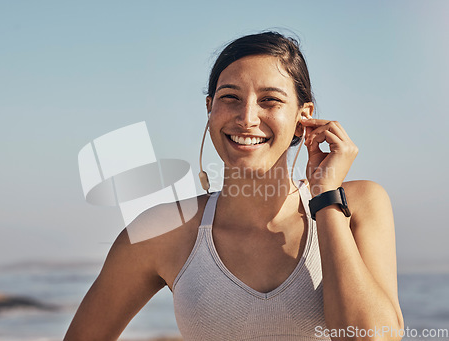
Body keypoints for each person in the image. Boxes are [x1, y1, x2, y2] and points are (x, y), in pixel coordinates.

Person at [64, 31, 404, 340]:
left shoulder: (358, 204)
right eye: (230, 97)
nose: (247, 117)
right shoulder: (162, 233)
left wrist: (326, 197)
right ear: (210, 108)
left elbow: (372, 337)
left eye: (270, 100)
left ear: (304, 117)